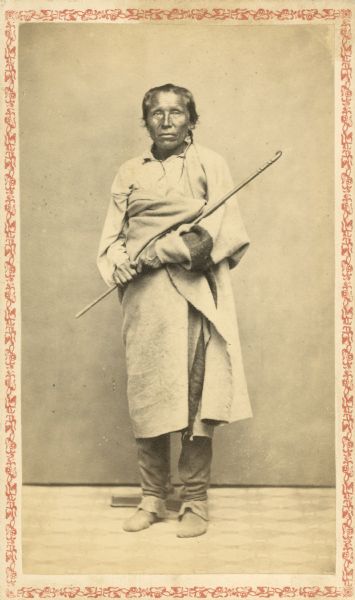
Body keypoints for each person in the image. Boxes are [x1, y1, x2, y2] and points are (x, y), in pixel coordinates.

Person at [97, 83, 252, 538]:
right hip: (144, 298)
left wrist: (168, 248)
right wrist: (120, 262)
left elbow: (223, 231)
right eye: (156, 114)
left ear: (192, 120)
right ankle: (151, 497)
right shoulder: (129, 172)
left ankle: (195, 502)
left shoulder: (211, 164)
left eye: (176, 113)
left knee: (195, 395)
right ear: (145, 121)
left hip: (194, 296)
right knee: (149, 393)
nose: (166, 121)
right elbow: (111, 238)